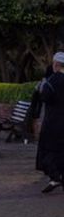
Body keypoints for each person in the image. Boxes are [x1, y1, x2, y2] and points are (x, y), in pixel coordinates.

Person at [36, 52, 64, 193]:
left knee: (48, 150)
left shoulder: (52, 80)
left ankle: (55, 176)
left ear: (55, 64)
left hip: (53, 120)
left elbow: (44, 97)